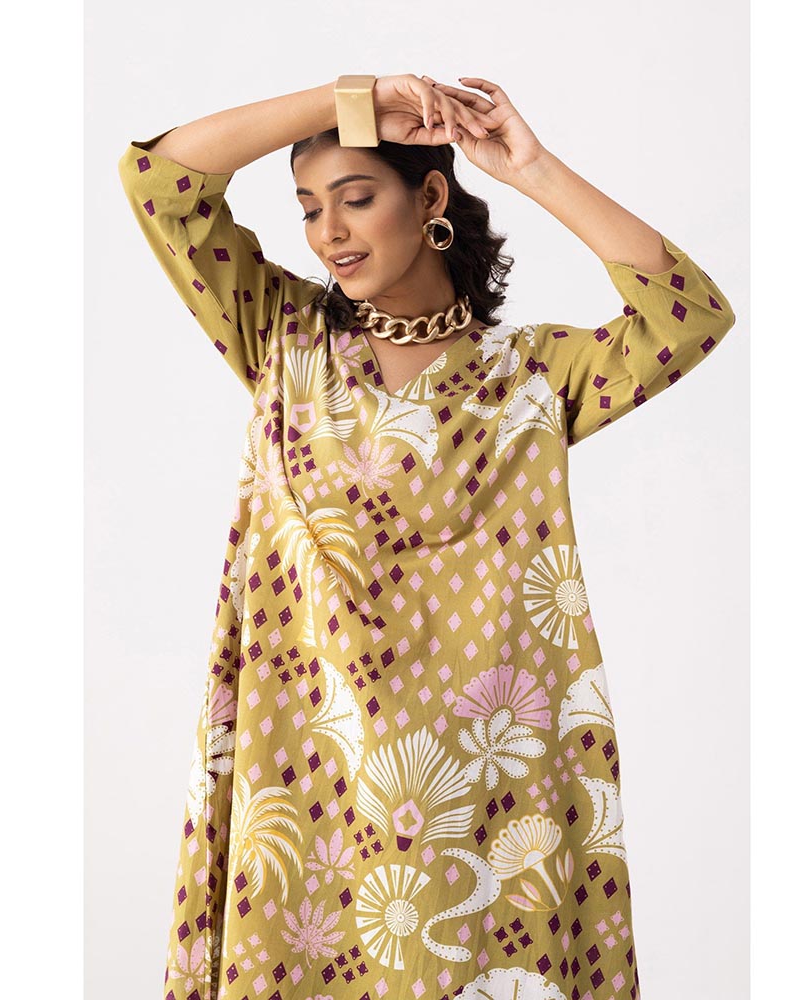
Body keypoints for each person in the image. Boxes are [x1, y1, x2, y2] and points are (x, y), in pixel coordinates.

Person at [117, 73, 736, 1000]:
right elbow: (158, 181)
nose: (328, 232)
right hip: (303, 793)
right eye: (309, 208)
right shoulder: (283, 340)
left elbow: (688, 313)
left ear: (431, 197)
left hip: (486, 805)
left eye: (356, 198)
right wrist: (348, 97)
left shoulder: (531, 379)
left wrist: (530, 167)